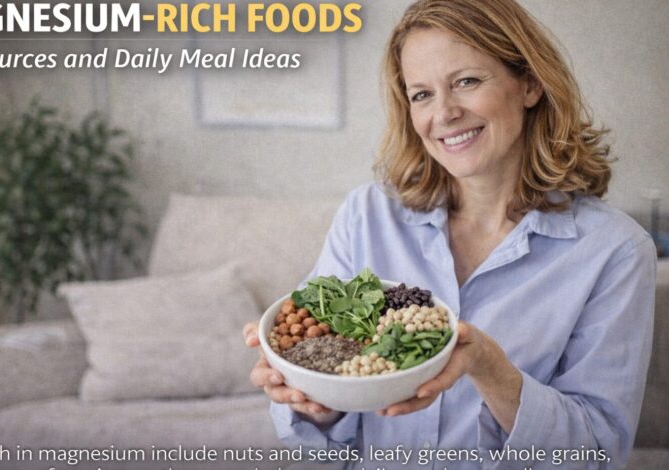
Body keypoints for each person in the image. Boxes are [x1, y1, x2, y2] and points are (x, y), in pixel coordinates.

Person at [243, 0, 656, 468]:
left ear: (530, 83)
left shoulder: (615, 251)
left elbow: (598, 453)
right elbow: (322, 420)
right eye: (422, 94)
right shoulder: (367, 216)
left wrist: (489, 367)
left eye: (466, 81)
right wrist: (309, 396)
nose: (444, 113)